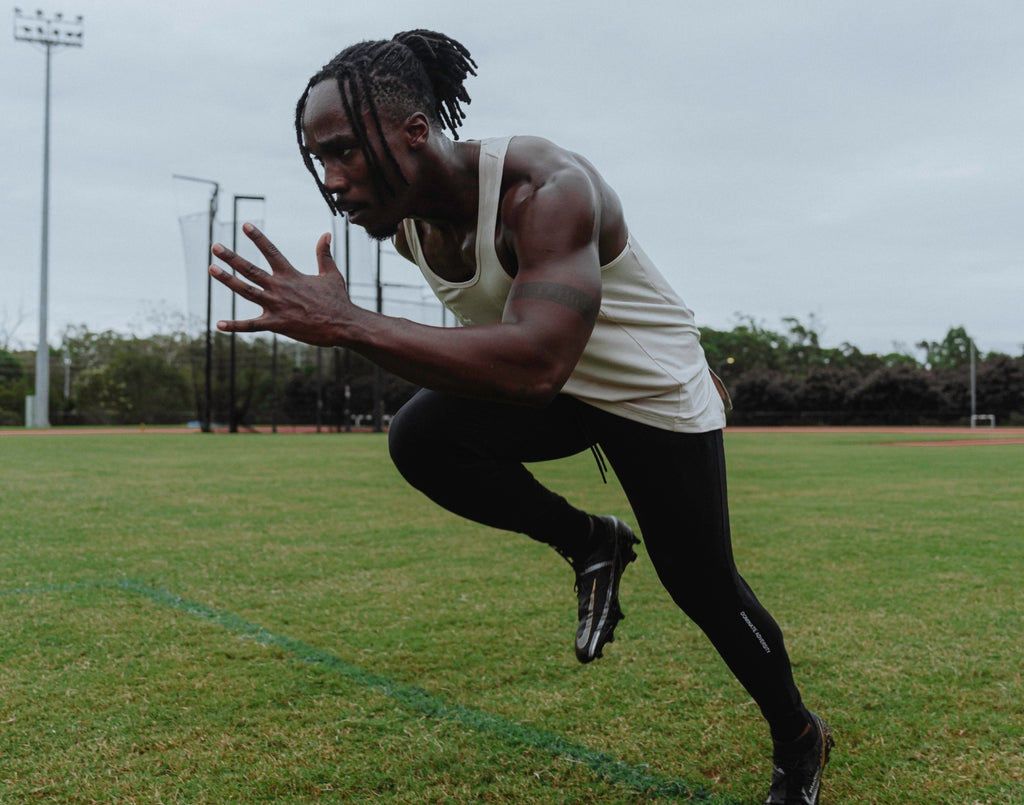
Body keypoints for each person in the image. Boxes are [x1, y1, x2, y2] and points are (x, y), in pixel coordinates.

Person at [209, 30, 834, 805]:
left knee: (704, 588)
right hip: (561, 387)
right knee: (421, 436)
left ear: (414, 131)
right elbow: (500, 357)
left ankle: (800, 738)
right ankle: (592, 540)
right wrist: (355, 325)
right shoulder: (407, 223)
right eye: (320, 162)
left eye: (344, 152)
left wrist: (347, 324)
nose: (333, 180)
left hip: (648, 393)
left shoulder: (546, 188)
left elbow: (536, 362)